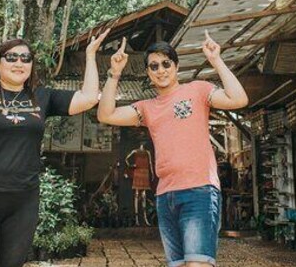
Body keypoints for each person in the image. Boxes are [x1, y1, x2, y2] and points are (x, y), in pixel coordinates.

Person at [0, 31, 107, 267]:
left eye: (26, 58)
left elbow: (88, 98)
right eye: (11, 57)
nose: (19, 63)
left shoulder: (41, 96)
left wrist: (91, 54)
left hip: (23, 200)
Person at [97, 31, 249, 267]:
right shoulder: (147, 107)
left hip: (199, 191)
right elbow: (106, 114)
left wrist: (216, 60)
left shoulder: (197, 90)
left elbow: (239, 99)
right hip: (165, 196)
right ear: (148, 73)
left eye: (166, 63)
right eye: (154, 66)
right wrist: (114, 73)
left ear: (176, 66)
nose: (161, 70)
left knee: (198, 264)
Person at [124, 142, 155, 225]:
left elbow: (150, 163)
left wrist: (152, 173)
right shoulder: (135, 151)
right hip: (139, 172)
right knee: (137, 194)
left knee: (143, 195)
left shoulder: (146, 152)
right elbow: (126, 159)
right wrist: (131, 165)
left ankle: (144, 218)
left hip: (144, 172)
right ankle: (137, 219)